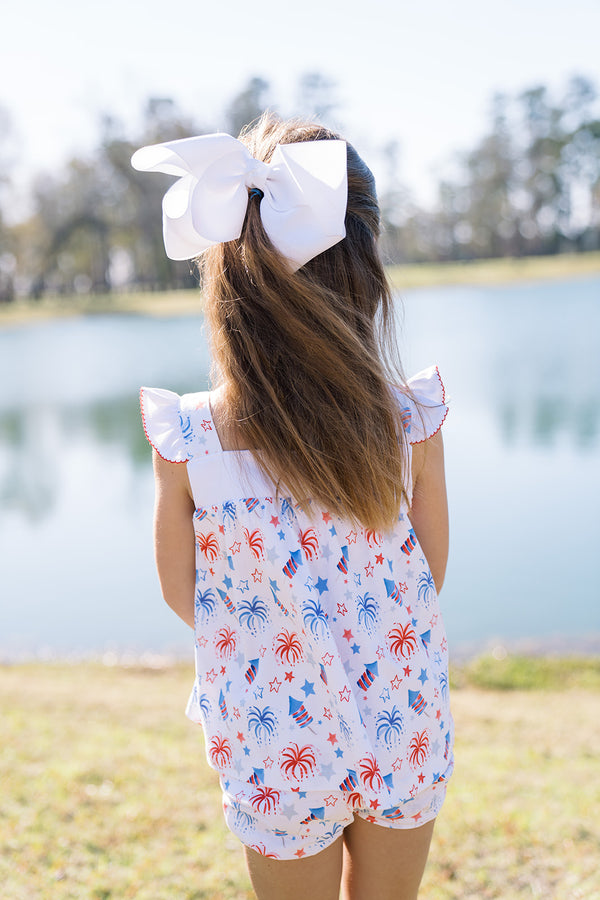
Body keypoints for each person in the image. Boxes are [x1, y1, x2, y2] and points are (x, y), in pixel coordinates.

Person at [134, 113, 453, 900]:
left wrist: (275, 642)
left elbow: (186, 596)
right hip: (402, 711)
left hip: (274, 737)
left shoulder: (192, 438)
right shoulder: (406, 419)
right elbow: (427, 567)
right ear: (366, 265)